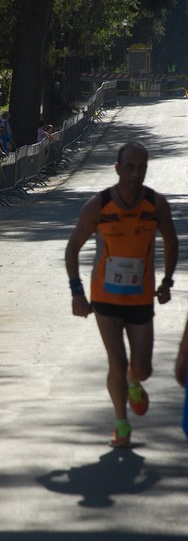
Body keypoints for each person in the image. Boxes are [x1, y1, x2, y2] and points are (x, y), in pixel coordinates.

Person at [65, 141, 178, 448]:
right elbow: (72, 248)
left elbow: (171, 240)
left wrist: (167, 281)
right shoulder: (99, 205)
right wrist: (77, 293)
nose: (135, 173)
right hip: (105, 297)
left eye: (141, 167)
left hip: (141, 297)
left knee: (141, 368)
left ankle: (134, 381)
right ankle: (121, 423)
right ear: (117, 168)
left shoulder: (155, 204)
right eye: (129, 167)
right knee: (116, 360)